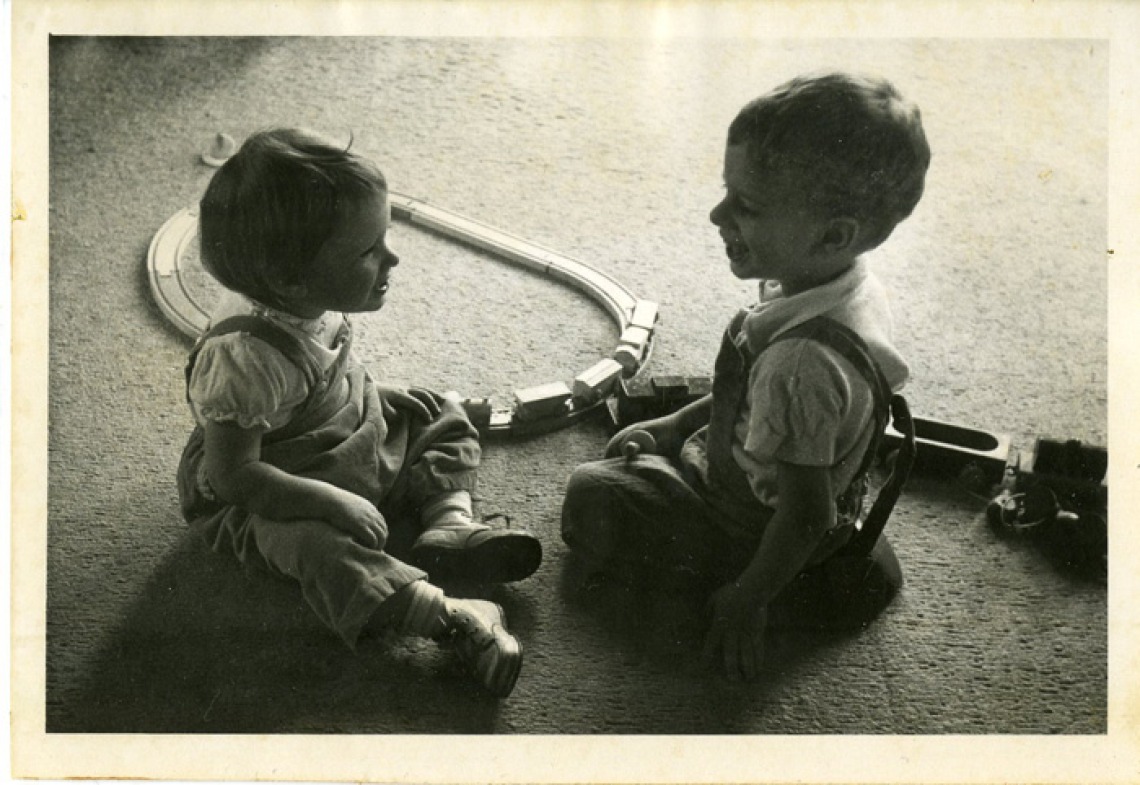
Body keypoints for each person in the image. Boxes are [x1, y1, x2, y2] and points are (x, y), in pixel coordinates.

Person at [561, 72, 930, 681]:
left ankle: (767, 585)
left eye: (746, 206)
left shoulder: (800, 364)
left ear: (833, 234)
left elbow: (806, 516)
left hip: (756, 523)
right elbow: (757, 396)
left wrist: (747, 598)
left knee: (591, 495)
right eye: (726, 192)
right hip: (792, 481)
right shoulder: (842, 286)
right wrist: (680, 421)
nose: (716, 214)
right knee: (636, 464)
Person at [176, 128, 543, 698]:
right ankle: (450, 615)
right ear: (289, 279)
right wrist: (329, 500)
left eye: (384, 238)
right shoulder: (242, 359)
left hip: (338, 432)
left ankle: (449, 522)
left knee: (437, 410)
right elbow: (230, 477)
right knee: (314, 549)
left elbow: (321, 377)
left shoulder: (307, 298)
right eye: (368, 251)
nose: (391, 257)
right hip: (271, 486)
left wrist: (376, 393)